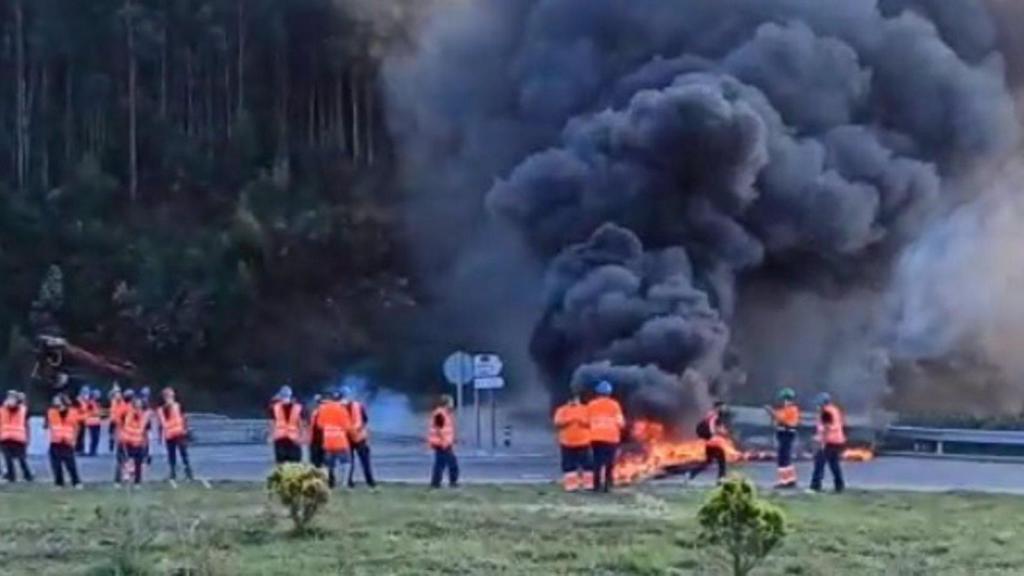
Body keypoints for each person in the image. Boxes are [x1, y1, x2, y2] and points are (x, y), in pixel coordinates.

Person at [586, 380, 625, 493]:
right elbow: (620, 423)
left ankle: (596, 486)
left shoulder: (591, 405)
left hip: (595, 438)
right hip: (611, 438)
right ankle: (608, 485)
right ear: (609, 393)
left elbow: (586, 421)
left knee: (597, 462)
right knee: (609, 463)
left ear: (597, 392)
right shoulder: (614, 405)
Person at [553, 384, 592, 492]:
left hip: (583, 442)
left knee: (587, 465)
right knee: (569, 466)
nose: (574, 401)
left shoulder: (586, 409)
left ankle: (588, 485)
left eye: (575, 399)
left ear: (579, 399)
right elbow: (557, 422)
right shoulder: (562, 410)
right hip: (567, 443)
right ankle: (571, 486)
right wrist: (569, 420)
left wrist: (581, 421)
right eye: (571, 399)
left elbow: (591, 422)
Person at [314, 389, 353, 488]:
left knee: (329, 464)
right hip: (340, 440)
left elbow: (319, 425)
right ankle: (343, 483)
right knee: (346, 461)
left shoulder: (323, 408)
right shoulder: (342, 409)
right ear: (340, 398)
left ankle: (331, 482)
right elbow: (347, 426)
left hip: (327, 440)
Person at [810, 393, 846, 493]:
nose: (818, 405)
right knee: (834, 464)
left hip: (829, 441)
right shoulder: (834, 410)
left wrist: (822, 442)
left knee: (819, 463)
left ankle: (815, 486)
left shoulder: (826, 412)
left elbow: (826, 427)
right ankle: (839, 486)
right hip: (837, 440)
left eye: (819, 403)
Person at [341, 386, 376, 488]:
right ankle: (370, 482)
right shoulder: (358, 405)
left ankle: (349, 482)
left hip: (347, 437)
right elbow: (365, 419)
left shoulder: (338, 407)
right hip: (359, 437)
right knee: (365, 462)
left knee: (349, 462)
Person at [688, 401, 730, 484]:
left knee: (708, 462)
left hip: (710, 442)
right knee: (722, 460)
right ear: (718, 407)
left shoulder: (712, 415)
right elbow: (711, 425)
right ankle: (721, 479)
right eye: (723, 407)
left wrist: (722, 431)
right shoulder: (714, 415)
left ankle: (691, 474)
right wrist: (713, 434)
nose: (725, 409)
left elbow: (718, 426)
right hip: (713, 442)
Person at [767, 388, 800, 488]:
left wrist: (772, 413)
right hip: (783, 435)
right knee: (786, 458)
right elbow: (778, 419)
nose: (782, 402)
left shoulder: (791, 409)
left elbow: (782, 419)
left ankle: (784, 481)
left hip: (787, 435)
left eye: (783, 399)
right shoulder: (786, 409)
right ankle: (791, 479)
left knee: (783, 459)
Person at [45, 394, 81, 488]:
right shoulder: (51, 412)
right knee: (56, 465)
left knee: (71, 465)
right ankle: (59, 483)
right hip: (55, 442)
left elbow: (76, 427)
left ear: (63, 401)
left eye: (57, 400)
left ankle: (76, 482)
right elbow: (47, 425)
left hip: (67, 442)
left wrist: (74, 440)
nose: (54, 402)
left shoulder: (73, 412)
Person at [159, 387, 193, 481]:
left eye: (169, 395)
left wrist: (186, 429)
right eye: (166, 396)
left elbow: (184, 418)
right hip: (169, 435)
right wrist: (161, 436)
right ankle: (173, 473)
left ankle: (188, 472)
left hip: (179, 433)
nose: (168, 398)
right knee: (171, 455)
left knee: (183, 453)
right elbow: (161, 423)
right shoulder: (162, 409)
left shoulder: (178, 406)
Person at [0, 390, 33, 482]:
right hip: (5, 438)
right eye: (9, 398)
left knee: (22, 459)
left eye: (12, 398)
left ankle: (28, 475)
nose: (10, 400)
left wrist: (27, 438)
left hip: (18, 438)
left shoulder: (22, 410)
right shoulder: (2, 410)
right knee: (8, 458)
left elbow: (26, 424)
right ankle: (11, 476)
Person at [428, 394, 459, 488]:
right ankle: (452, 483)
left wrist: (453, 439)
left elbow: (446, 429)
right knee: (452, 464)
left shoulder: (445, 413)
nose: (453, 404)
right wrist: (445, 441)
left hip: (443, 443)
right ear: (446, 403)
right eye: (451, 402)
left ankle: (435, 484)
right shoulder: (440, 414)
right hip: (441, 444)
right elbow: (439, 429)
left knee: (440, 464)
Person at [120, 395, 150, 484]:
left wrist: (146, 440)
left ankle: (137, 481)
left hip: (138, 441)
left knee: (138, 461)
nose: (138, 406)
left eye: (140, 404)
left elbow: (146, 428)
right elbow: (123, 423)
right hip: (128, 439)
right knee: (128, 459)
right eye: (136, 404)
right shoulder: (129, 413)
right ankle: (127, 474)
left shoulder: (144, 415)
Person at [270, 386, 303, 464]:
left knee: (281, 465)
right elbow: (301, 424)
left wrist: (271, 436)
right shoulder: (298, 407)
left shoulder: (275, 408)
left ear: (280, 396)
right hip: (294, 439)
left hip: (280, 439)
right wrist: (301, 437)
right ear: (291, 395)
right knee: (295, 465)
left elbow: (272, 424)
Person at [113, 389, 135, 483]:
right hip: (127, 435)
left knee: (123, 457)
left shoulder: (122, 407)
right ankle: (125, 475)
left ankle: (122, 477)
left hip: (124, 435)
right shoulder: (129, 408)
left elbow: (117, 420)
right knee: (126, 457)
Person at [307, 394, 326, 468]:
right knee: (316, 460)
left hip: (322, 439)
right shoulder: (314, 411)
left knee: (320, 460)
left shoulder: (323, 410)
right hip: (315, 440)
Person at [108, 385, 127, 453]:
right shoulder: (113, 400)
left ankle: (117, 444)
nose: (117, 396)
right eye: (116, 395)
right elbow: (110, 395)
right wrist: (114, 390)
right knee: (111, 433)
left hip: (118, 420)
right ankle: (111, 442)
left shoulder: (122, 402)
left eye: (118, 394)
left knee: (118, 433)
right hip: (112, 419)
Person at [73, 386, 91, 455]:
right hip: (78, 421)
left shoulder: (85, 401)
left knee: (81, 436)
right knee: (77, 436)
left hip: (83, 421)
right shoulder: (77, 401)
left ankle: (81, 450)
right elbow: (76, 411)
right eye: (85, 392)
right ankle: (76, 450)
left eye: (87, 392)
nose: (87, 394)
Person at [86, 389, 103, 456]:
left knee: (96, 438)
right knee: (94, 437)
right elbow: (91, 412)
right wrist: (97, 413)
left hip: (97, 423)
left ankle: (94, 451)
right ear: (94, 395)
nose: (99, 396)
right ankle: (92, 451)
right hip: (92, 423)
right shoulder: (90, 403)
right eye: (97, 394)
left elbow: (99, 412)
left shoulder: (97, 403)